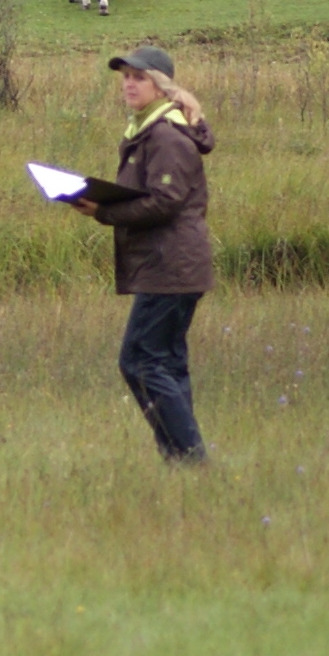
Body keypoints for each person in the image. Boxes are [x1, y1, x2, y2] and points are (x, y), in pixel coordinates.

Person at [75, 43, 214, 466]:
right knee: (166, 363)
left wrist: (104, 211)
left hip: (171, 265)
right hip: (171, 263)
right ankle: (182, 461)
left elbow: (165, 201)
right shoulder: (149, 129)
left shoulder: (166, 135)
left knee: (140, 361)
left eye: (139, 77)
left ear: (160, 85)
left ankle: (189, 457)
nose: (129, 85)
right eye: (126, 77)